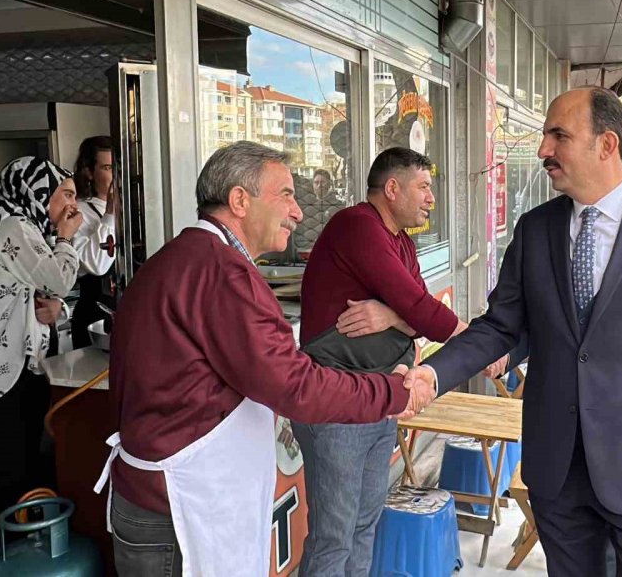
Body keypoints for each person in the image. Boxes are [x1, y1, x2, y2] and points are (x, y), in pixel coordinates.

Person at [404, 87, 622, 576]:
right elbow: (500, 327)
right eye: (544, 136)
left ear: (606, 144)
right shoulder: (535, 228)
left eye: (559, 136)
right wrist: (431, 376)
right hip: (558, 468)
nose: (543, 151)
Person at [95, 142, 429, 577]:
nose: (298, 212)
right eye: (286, 195)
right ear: (239, 200)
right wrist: (392, 392)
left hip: (163, 498)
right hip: (177, 509)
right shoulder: (221, 271)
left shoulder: (184, 258)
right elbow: (293, 384)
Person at [295, 148, 501, 576]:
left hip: (382, 397)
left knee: (366, 524)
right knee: (334, 535)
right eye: (424, 187)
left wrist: (390, 314)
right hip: (338, 402)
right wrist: (478, 346)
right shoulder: (357, 226)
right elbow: (419, 306)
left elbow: (414, 308)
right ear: (392, 188)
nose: (431, 199)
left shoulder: (402, 242)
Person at [0, 157, 82, 571]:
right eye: (64, 194)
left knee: (19, 474)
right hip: (0, 374)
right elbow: (59, 278)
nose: (72, 205)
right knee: (6, 480)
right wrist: (67, 237)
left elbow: (36, 293)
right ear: (37, 193)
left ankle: (8, 559)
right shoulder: (15, 226)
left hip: (6, 368)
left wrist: (51, 308)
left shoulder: (13, 224)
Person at [70, 136, 116, 349]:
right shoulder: (79, 211)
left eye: (117, 167)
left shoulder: (137, 211)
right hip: (95, 315)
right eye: (107, 168)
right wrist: (110, 215)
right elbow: (97, 265)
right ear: (89, 172)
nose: (115, 175)